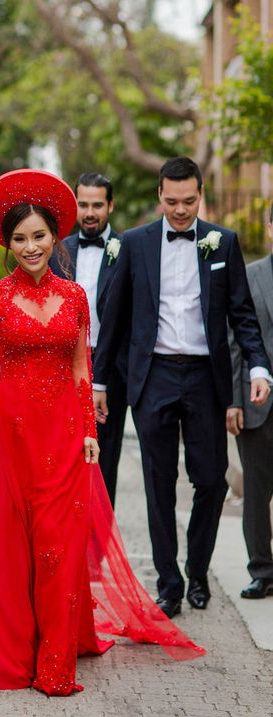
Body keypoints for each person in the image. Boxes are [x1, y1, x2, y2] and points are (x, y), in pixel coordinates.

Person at [0, 169, 204, 694]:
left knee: (60, 545)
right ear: (7, 244)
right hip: (10, 432)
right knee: (12, 544)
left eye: (39, 236)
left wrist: (89, 428)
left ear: (53, 236)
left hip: (64, 432)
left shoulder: (78, 297)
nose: (31, 246)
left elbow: (83, 368)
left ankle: (57, 662)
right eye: (20, 239)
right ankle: (14, 655)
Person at [93, 157, 272, 619]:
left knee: (210, 480)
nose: (180, 211)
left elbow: (243, 316)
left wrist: (258, 368)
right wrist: (98, 380)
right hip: (152, 376)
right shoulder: (134, 244)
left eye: (189, 201)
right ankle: (169, 584)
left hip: (204, 378)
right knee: (157, 483)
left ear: (200, 195)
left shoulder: (223, 243)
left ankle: (197, 570)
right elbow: (112, 317)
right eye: (172, 202)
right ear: (159, 196)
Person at [50, 173, 127, 507]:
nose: (90, 212)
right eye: (83, 204)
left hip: (111, 368)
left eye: (97, 204)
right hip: (63, 366)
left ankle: (99, 542)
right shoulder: (57, 250)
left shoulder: (128, 249)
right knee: (61, 453)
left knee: (103, 458)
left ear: (110, 205)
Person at [227, 204, 273, 599]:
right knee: (256, 495)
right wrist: (234, 401)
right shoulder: (251, 275)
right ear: (271, 228)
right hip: (259, 405)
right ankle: (262, 570)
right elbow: (236, 343)